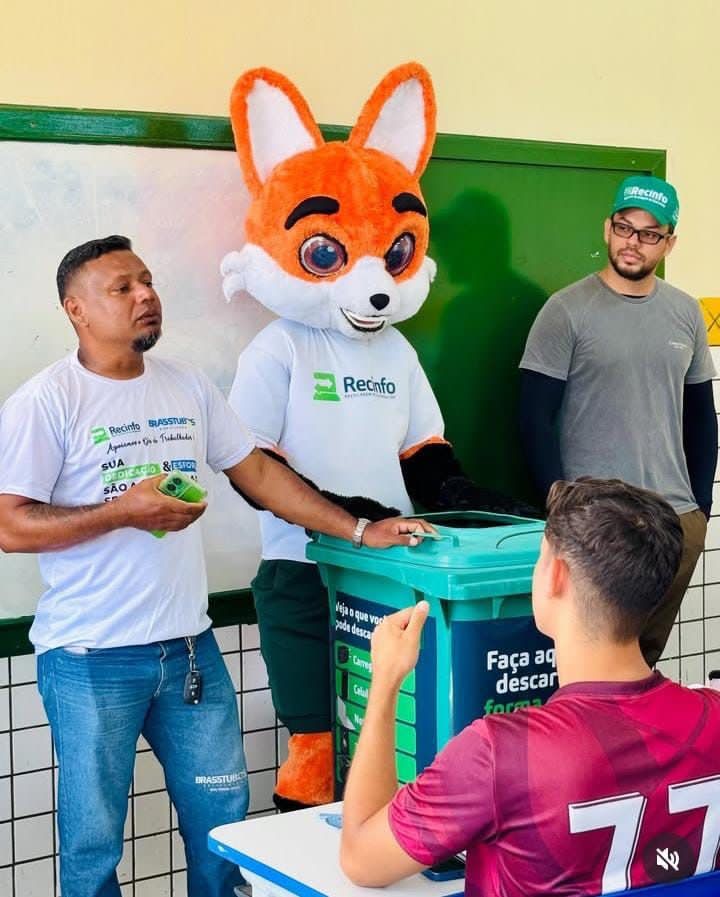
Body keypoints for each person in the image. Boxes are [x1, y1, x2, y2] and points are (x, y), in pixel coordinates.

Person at [0, 235, 431, 897]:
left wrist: (358, 527)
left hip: (190, 654)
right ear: (76, 309)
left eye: (148, 280)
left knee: (224, 826)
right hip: (89, 659)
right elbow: (11, 525)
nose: (146, 295)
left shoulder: (186, 385)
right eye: (122, 287)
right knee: (92, 846)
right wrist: (123, 511)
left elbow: (258, 472)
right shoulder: (47, 401)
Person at [340, 478, 720, 896]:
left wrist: (385, 681)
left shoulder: (498, 754)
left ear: (555, 575)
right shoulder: (714, 716)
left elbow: (362, 860)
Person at [518, 175, 717, 666]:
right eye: (625, 228)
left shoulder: (685, 313)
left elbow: (701, 418)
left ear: (669, 243)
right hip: (597, 525)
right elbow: (532, 417)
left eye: (650, 234)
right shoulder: (565, 310)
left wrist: (701, 510)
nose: (634, 242)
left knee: (642, 663)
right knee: (589, 665)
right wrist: (560, 505)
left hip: (675, 521)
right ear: (608, 228)